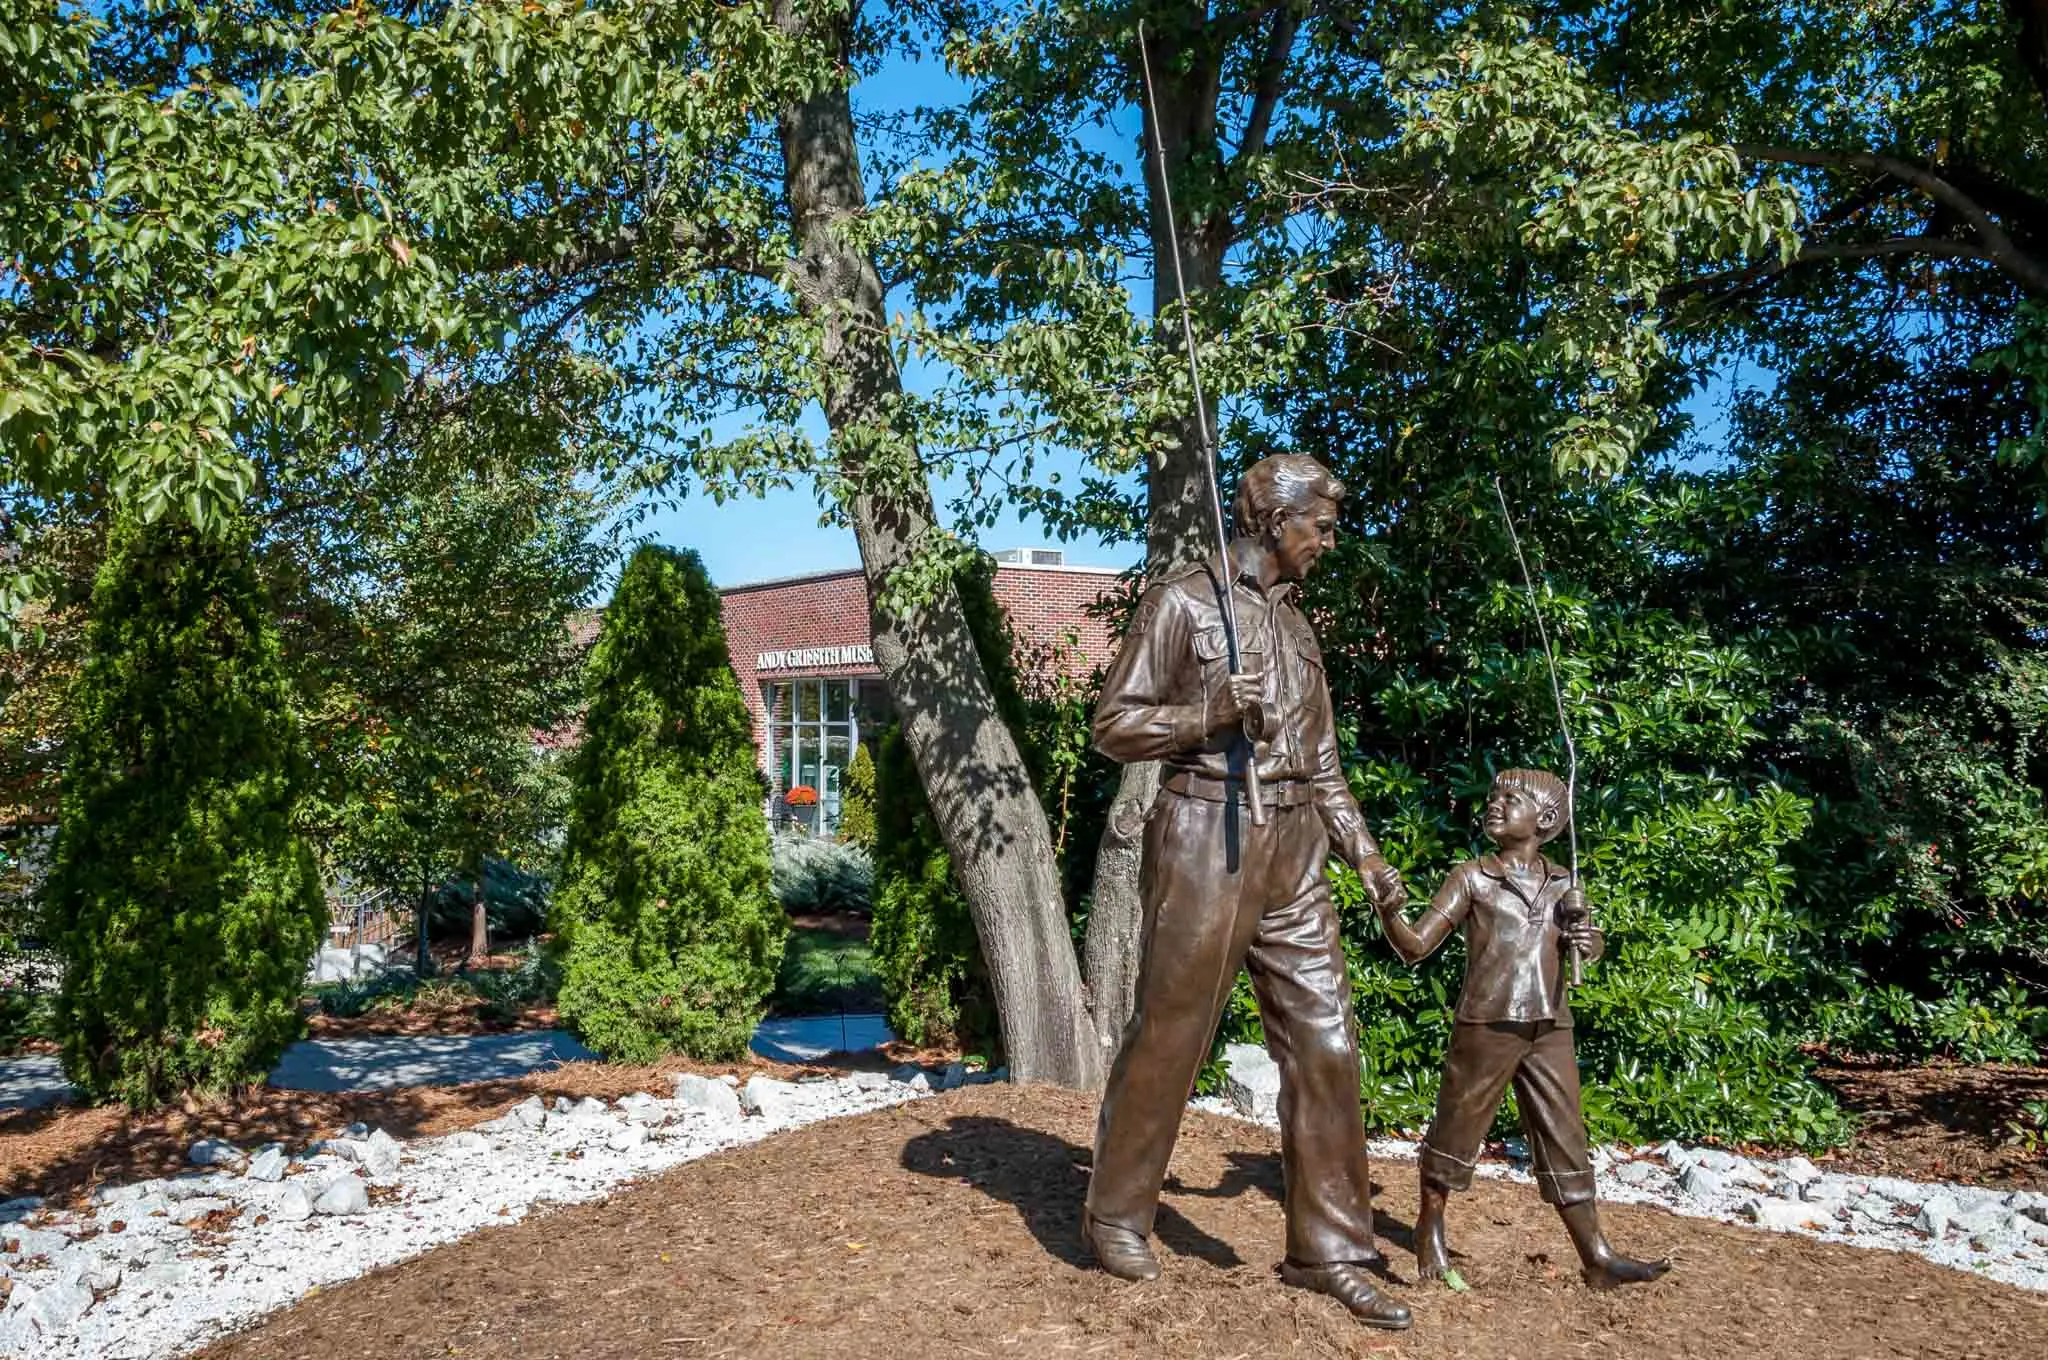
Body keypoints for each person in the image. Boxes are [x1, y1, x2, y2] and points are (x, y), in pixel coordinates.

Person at [1083, 453, 1412, 1330]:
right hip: (1205, 834)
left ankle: (1331, 1249)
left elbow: (1325, 762)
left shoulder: (1300, 630)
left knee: (1328, 1040)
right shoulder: (1186, 603)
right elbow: (1113, 726)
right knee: (1174, 1031)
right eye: (1323, 526)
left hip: (1297, 847)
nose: (1329, 543)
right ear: (1276, 519)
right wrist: (1208, 716)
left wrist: (1368, 860)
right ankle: (1115, 1210)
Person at [1374, 767, 1673, 1289]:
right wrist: (1388, 911)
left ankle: (1596, 1256)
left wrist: (1588, 941)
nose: (1495, 804)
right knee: (1456, 1130)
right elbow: (1415, 947)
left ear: (1547, 819)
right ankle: (1430, 1229)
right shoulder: (1472, 877)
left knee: (1565, 1138)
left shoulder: (1564, 885)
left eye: (1511, 799)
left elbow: (1591, 943)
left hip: (1551, 1024)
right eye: (1493, 796)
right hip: (1487, 1023)